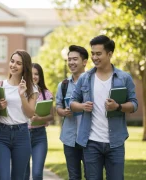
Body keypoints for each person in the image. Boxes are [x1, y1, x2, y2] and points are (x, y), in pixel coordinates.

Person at [70, 35, 138, 180]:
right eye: (93, 53)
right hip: (91, 142)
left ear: (109, 54)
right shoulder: (85, 78)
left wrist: (118, 106)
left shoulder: (123, 78)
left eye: (98, 54)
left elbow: (134, 105)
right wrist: (82, 106)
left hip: (115, 143)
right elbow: (72, 103)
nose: (94, 57)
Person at [0, 50, 38, 180]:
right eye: (12, 61)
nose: (13, 65)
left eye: (18, 63)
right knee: (4, 177)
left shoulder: (32, 89)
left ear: (25, 67)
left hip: (21, 134)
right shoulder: (0, 85)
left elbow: (30, 113)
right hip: (1, 134)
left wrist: (22, 95)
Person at [56, 45, 88, 180]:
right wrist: (63, 112)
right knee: (73, 176)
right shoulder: (63, 85)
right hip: (69, 138)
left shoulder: (92, 82)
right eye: (69, 59)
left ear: (85, 61)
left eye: (75, 59)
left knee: (91, 175)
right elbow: (58, 106)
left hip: (89, 138)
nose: (71, 63)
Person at [25, 63, 53, 180]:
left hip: (39, 136)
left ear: (40, 76)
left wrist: (40, 119)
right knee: (23, 174)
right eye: (31, 74)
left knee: (37, 174)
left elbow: (52, 116)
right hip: (23, 136)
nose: (34, 77)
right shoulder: (22, 92)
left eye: (36, 74)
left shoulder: (46, 94)